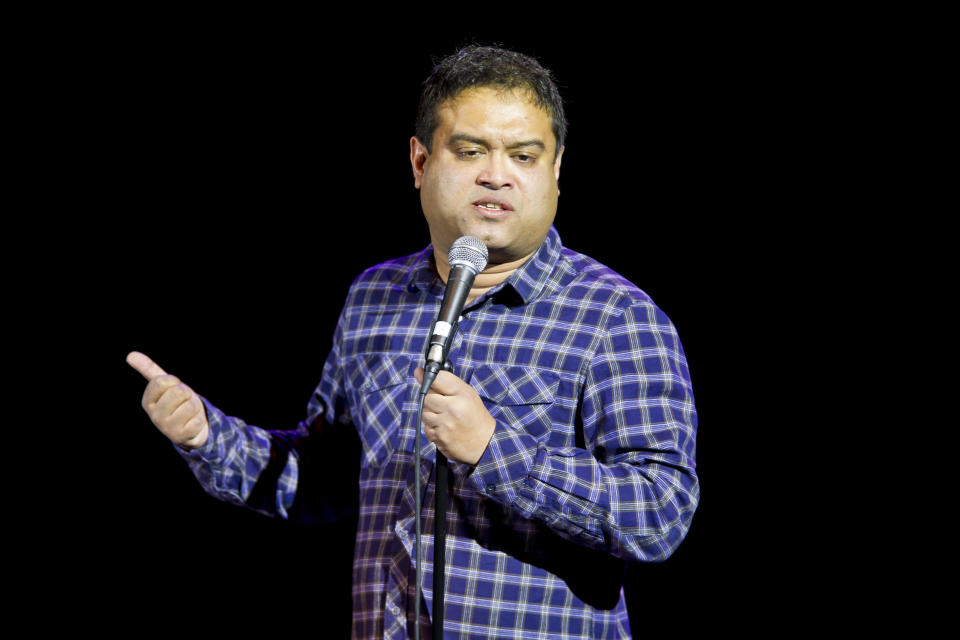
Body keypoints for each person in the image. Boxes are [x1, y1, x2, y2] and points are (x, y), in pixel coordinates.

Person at [127, 45, 699, 639]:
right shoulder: (374, 296)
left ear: (555, 171)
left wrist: (492, 452)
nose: (496, 175)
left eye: (524, 156)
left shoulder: (616, 315)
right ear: (421, 161)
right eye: (471, 150)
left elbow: (660, 513)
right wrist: (207, 436)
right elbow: (325, 479)